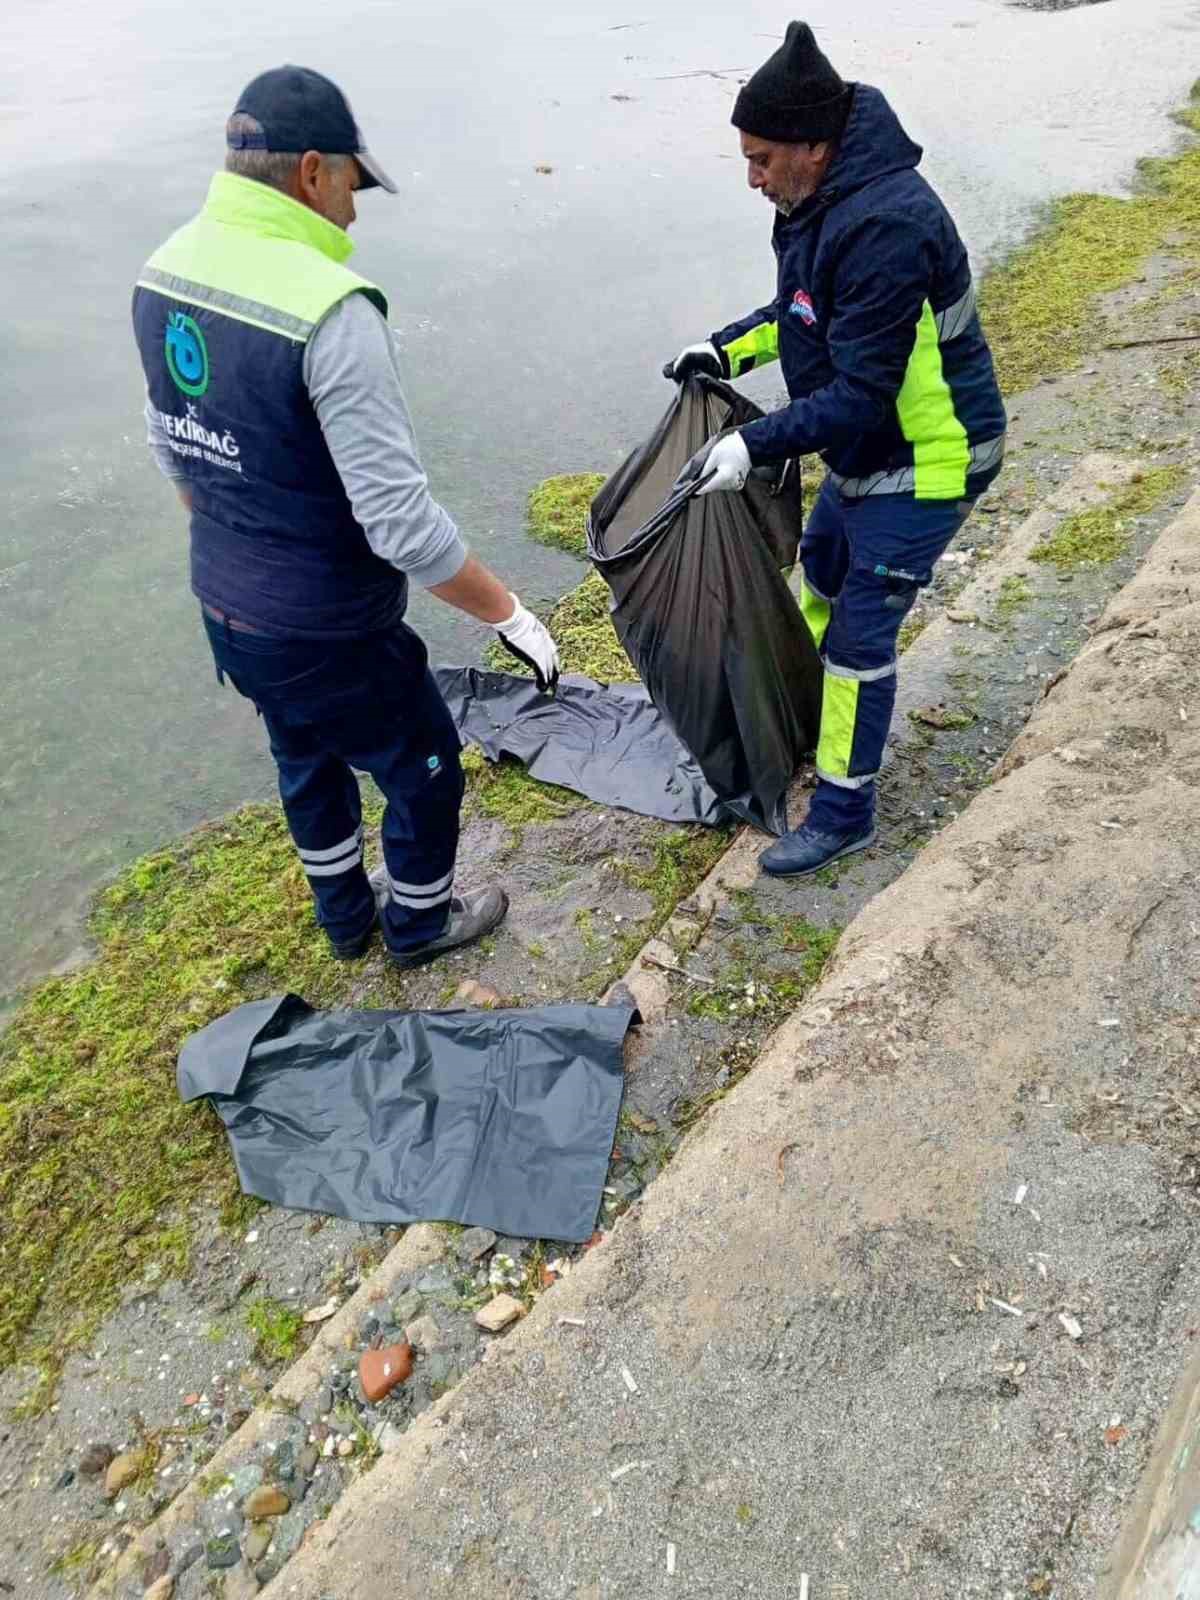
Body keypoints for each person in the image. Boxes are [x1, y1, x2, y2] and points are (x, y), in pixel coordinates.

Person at [132, 67, 561, 966]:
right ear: (314, 172)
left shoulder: (164, 268)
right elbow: (398, 523)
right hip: (327, 625)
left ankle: (342, 920)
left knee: (305, 755)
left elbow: (173, 451)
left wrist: (242, 534)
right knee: (425, 765)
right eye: (353, 190)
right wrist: (508, 614)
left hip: (226, 606)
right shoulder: (331, 311)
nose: (355, 215)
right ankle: (417, 924)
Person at [668, 22, 1006, 877]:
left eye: (762, 159)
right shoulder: (815, 200)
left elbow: (861, 392)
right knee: (815, 572)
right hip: (868, 455)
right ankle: (800, 726)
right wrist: (728, 350)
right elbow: (808, 308)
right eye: (744, 157)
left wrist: (750, 443)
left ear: (815, 146)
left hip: (930, 457)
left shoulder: (889, 224)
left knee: (860, 634)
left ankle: (845, 810)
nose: (752, 178)